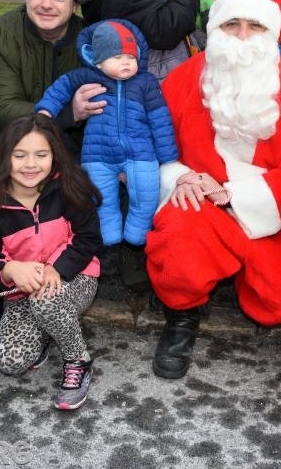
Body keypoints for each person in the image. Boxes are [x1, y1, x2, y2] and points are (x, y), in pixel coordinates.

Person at [146, 0, 281, 379]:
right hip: (199, 207)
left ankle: (236, 274)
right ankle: (184, 312)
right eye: (232, 24)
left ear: (271, 33)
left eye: (255, 26)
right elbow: (153, 143)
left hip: (272, 210)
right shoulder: (184, 79)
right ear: (216, 28)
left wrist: (234, 196)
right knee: (178, 250)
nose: (243, 35)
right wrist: (177, 176)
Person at [0, 114, 103, 410]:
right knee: (9, 361)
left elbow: (89, 239)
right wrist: (9, 270)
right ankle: (49, 330)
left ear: (54, 155)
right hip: (21, 294)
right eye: (20, 155)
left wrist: (58, 268)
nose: (30, 164)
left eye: (41, 155)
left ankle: (78, 361)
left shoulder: (70, 186)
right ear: (5, 157)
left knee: (46, 301)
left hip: (75, 278)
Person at [34, 19, 177, 291]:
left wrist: (167, 154)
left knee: (146, 193)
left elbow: (160, 119)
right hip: (97, 154)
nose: (126, 63)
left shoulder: (145, 83)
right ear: (97, 61)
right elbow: (59, 89)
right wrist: (45, 111)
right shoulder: (85, 76)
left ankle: (137, 234)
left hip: (141, 154)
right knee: (100, 197)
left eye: (130, 57)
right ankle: (109, 235)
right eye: (117, 57)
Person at [0, 0, 106, 152]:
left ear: (74, 4)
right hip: (13, 151)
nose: (47, 4)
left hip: (77, 155)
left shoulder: (93, 42)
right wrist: (68, 112)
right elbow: (4, 109)